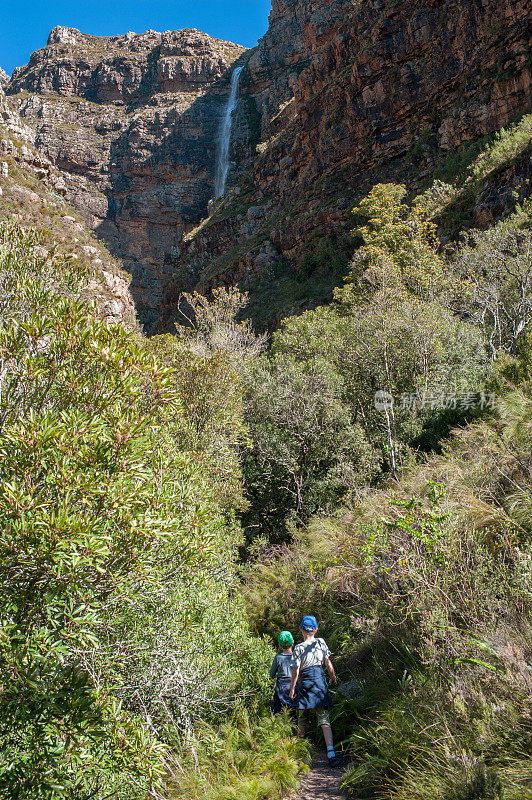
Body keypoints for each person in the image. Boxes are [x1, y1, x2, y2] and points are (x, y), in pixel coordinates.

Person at [289, 615, 341, 767]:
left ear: (301, 629)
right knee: (324, 718)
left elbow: (296, 671)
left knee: (302, 718)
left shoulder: (298, 648)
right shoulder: (321, 642)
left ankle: (299, 754)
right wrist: (332, 676)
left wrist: (292, 688)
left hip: (305, 683)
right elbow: (327, 662)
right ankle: (331, 753)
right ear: (316, 629)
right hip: (319, 682)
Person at [270, 630, 299, 715]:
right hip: (294, 685)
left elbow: (271, 673)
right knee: (293, 712)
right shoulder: (296, 656)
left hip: (281, 687)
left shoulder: (278, 657)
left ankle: (279, 727)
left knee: (278, 711)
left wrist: (275, 676)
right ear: (293, 642)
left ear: (279, 645)